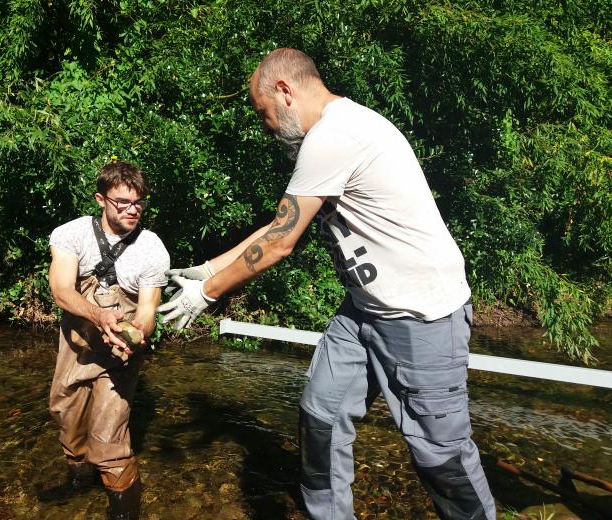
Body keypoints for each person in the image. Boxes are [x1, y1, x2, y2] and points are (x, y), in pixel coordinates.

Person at [157, 48, 495, 519]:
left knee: (441, 457)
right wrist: (209, 270)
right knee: (322, 418)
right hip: (364, 309)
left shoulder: (336, 135)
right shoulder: (331, 133)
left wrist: (206, 295)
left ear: (284, 91)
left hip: (421, 315)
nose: (265, 126)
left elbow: (280, 243)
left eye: (263, 113)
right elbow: (278, 225)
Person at [48, 161, 169, 520]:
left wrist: (137, 333)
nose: (133, 210)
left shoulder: (151, 248)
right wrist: (99, 316)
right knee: (66, 415)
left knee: (107, 437)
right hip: (76, 345)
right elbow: (61, 290)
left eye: (139, 202)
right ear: (101, 199)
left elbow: (147, 310)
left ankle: (124, 509)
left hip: (120, 353)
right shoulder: (71, 234)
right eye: (123, 202)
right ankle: (79, 481)